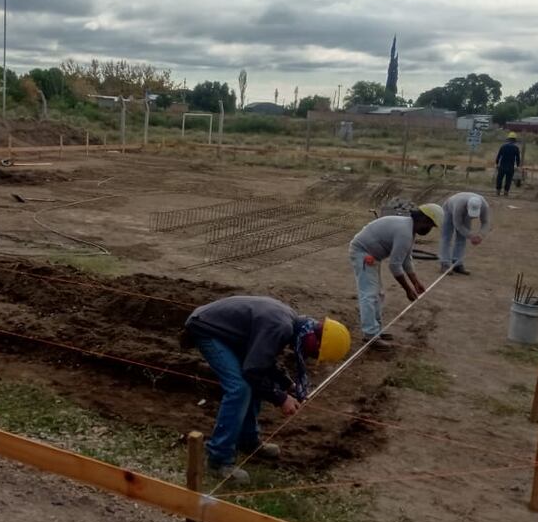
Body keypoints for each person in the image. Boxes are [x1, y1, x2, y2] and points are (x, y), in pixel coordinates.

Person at [183, 296, 350, 484]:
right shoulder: (281, 327)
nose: (309, 356)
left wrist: (288, 384)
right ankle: (218, 459)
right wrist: (281, 398)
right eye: (314, 353)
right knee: (240, 388)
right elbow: (253, 372)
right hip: (207, 328)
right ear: (315, 342)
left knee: (254, 381)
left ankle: (248, 441)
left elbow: (263, 361)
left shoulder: (290, 323)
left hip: (225, 331)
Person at [348, 204, 443, 349]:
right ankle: (370, 336)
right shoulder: (405, 231)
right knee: (369, 294)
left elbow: (406, 260)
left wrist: (416, 282)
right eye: (430, 225)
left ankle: (376, 331)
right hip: (362, 252)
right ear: (424, 219)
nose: (430, 229)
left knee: (378, 294)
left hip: (372, 254)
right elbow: (394, 265)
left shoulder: (409, 230)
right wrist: (407, 290)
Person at [439, 192, 491, 275]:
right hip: (449, 208)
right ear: (467, 206)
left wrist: (480, 235)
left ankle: (457, 264)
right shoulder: (459, 205)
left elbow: (486, 222)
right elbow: (458, 224)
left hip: (464, 212)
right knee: (446, 236)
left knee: (462, 238)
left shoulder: (484, 206)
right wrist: (471, 236)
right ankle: (445, 263)